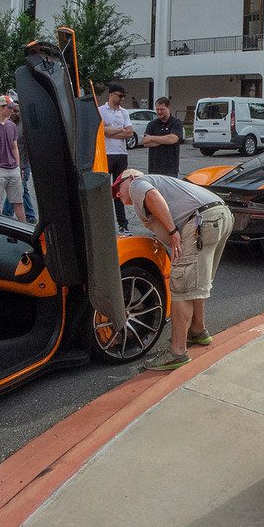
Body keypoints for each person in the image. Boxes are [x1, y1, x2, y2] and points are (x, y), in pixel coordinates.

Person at [113, 168, 232, 371]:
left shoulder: (137, 184)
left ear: (130, 177)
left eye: (117, 187)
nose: (117, 194)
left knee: (181, 288)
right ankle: (197, 330)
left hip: (199, 222)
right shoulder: (163, 183)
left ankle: (177, 353)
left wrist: (172, 231)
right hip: (219, 216)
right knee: (196, 282)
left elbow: (152, 195)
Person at [99, 83, 134, 229]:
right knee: (102, 190)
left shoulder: (124, 112)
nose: (122, 99)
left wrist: (110, 130)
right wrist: (119, 130)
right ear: (112, 95)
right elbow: (101, 131)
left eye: (123, 96)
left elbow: (129, 132)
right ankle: (103, 223)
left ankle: (122, 223)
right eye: (120, 96)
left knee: (120, 189)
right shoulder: (101, 110)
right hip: (106, 153)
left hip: (121, 154)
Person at [139, 96, 184, 177]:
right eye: (157, 109)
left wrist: (152, 138)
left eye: (162, 109)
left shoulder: (176, 123)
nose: (159, 112)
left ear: (168, 108)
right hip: (154, 168)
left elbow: (173, 139)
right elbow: (145, 142)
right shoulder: (152, 124)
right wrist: (165, 140)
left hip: (170, 169)